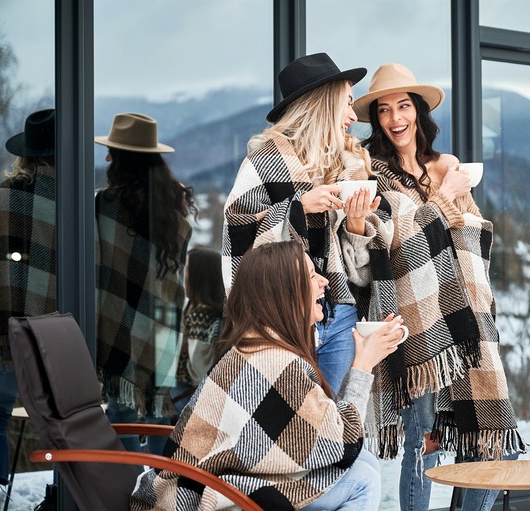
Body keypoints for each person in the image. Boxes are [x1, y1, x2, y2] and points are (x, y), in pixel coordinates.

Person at [354, 63, 525, 511]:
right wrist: (446, 196)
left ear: (418, 111)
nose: (395, 118)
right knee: (423, 437)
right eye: (385, 110)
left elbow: (472, 235)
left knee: (487, 438)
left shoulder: (444, 165)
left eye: (404, 106)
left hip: (464, 316)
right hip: (418, 319)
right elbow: (393, 238)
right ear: (376, 119)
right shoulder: (372, 170)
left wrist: (448, 193)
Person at [130, 240, 405, 511]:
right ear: (285, 293)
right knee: (363, 478)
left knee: (365, 462)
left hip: (224, 479)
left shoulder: (260, 346)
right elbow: (341, 441)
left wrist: (362, 359)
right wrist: (363, 365)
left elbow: (331, 434)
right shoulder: (275, 362)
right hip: (211, 493)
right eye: (311, 276)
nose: (324, 281)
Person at [222, 52, 394, 395]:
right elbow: (236, 241)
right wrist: (297, 208)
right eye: (346, 103)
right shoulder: (264, 161)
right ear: (322, 105)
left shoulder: (351, 164)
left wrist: (358, 222)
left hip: (340, 312)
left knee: (335, 422)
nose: (352, 115)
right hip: (283, 318)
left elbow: (361, 271)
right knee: (288, 424)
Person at [95, 112, 196, 455]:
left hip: (118, 318)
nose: (107, 159)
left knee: (120, 412)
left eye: (112, 153)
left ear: (119, 158)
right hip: (166, 321)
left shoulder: (104, 206)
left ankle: (129, 488)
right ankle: (160, 491)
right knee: (158, 413)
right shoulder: (175, 210)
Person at [0, 109, 56, 510]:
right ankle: (62, 488)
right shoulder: (72, 200)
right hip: (59, 336)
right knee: (56, 416)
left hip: (9, 334)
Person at [171, 245, 225, 414]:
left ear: (198, 277)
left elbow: (199, 372)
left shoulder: (200, 315)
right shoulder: (218, 310)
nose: (183, 276)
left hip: (190, 397)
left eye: (187, 271)